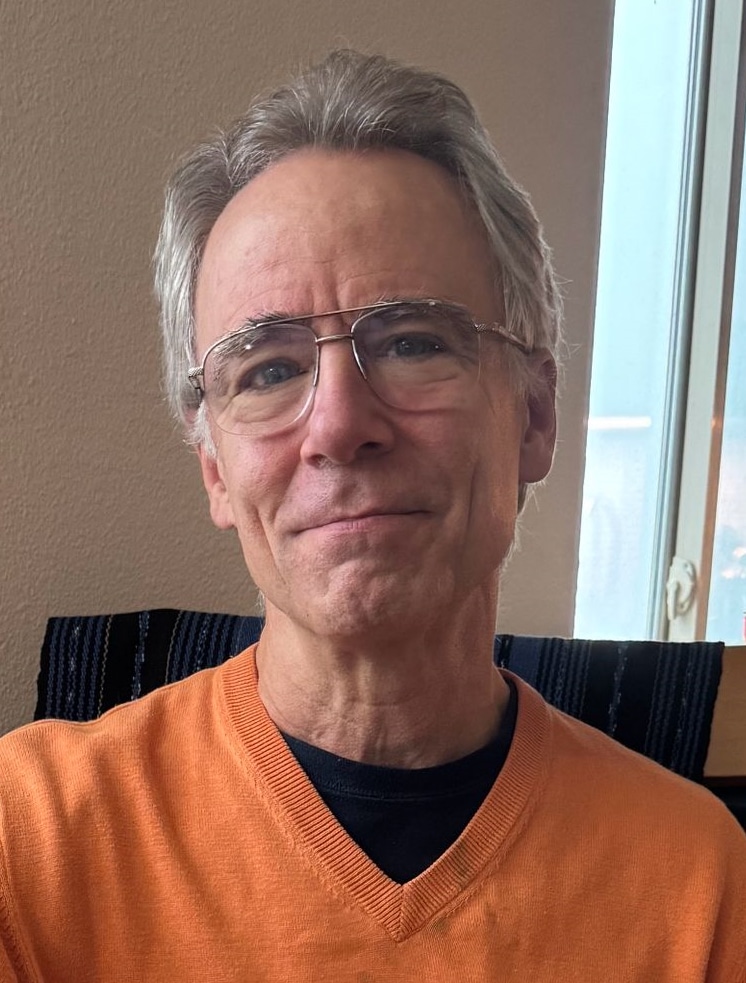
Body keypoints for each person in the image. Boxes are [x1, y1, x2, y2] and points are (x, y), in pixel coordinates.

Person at [0, 49, 744, 982]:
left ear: (535, 417)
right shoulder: (30, 845)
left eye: (414, 343)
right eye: (268, 370)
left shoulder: (700, 887)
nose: (340, 425)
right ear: (215, 467)